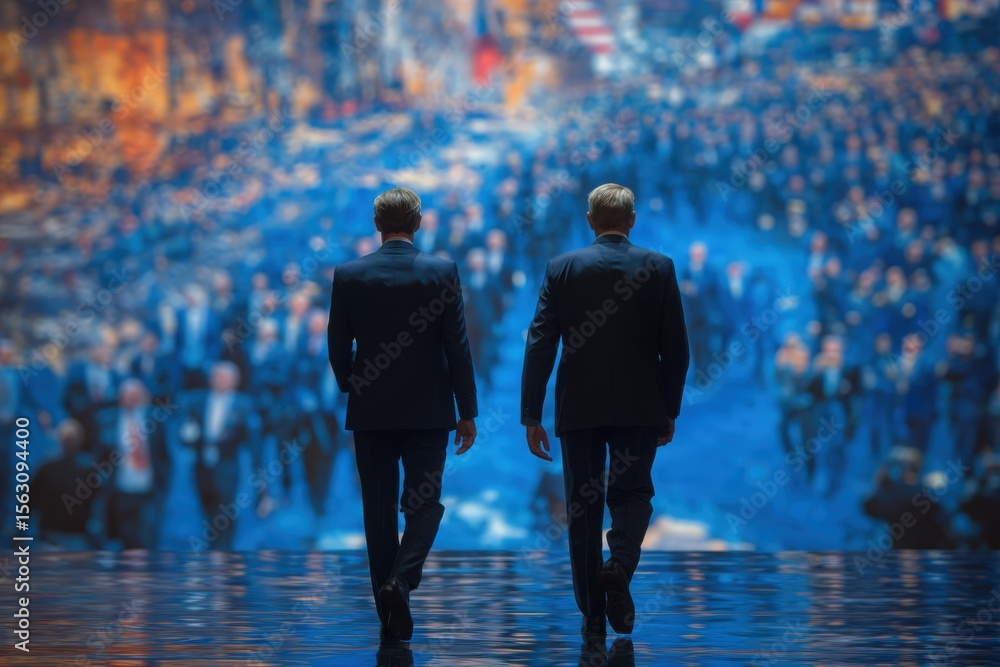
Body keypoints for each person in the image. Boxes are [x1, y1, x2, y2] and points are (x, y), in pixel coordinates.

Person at [520, 184, 690, 637]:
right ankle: (619, 565)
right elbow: (676, 349)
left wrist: (531, 414)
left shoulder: (562, 268)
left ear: (590, 220)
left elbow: (540, 342)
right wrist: (669, 407)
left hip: (579, 404)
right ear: (631, 219)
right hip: (640, 405)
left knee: (582, 504)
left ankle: (592, 610)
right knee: (632, 494)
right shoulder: (659, 267)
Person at [327, 187, 478, 642]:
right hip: (429, 413)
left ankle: (389, 614)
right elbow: (458, 347)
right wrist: (467, 410)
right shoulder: (441, 272)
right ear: (419, 223)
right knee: (424, 505)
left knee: (378, 511)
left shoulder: (349, 274)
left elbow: (337, 345)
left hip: (370, 411)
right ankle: (402, 581)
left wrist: (354, 384)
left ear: (378, 223)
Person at [179, 362, 259, 550]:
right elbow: (185, 432)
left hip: (227, 466)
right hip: (201, 465)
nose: (219, 381)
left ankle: (224, 550)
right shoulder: (197, 401)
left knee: (225, 509)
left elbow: (252, 440)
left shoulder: (243, 404)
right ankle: (212, 545)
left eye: (225, 378)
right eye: (216, 377)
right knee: (207, 505)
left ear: (234, 381)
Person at [94, 379, 172, 550]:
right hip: (119, 491)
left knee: (145, 539)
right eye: (127, 396)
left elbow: (164, 455)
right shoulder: (108, 419)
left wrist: (163, 485)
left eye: (135, 396)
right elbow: (99, 456)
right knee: (120, 538)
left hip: (147, 490)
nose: (131, 400)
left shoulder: (154, 420)